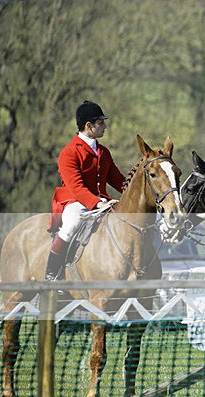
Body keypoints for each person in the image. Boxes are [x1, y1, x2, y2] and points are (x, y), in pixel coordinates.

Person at [47, 100, 126, 281]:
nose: (105, 126)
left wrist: (138, 194)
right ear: (89, 126)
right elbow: (76, 188)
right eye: (101, 123)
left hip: (101, 201)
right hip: (75, 202)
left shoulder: (103, 152)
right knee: (72, 223)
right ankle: (52, 275)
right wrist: (98, 203)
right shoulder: (69, 153)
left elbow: (118, 180)